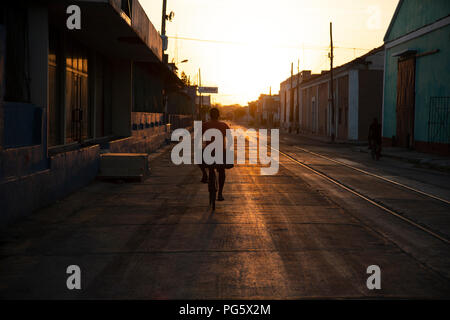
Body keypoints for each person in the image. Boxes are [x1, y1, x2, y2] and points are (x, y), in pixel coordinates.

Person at [199, 108, 230, 201]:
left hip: (209, 152)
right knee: (222, 171)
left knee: (198, 157)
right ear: (219, 115)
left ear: (209, 115)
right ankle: (220, 194)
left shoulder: (205, 125)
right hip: (220, 152)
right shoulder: (224, 125)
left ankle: (204, 174)